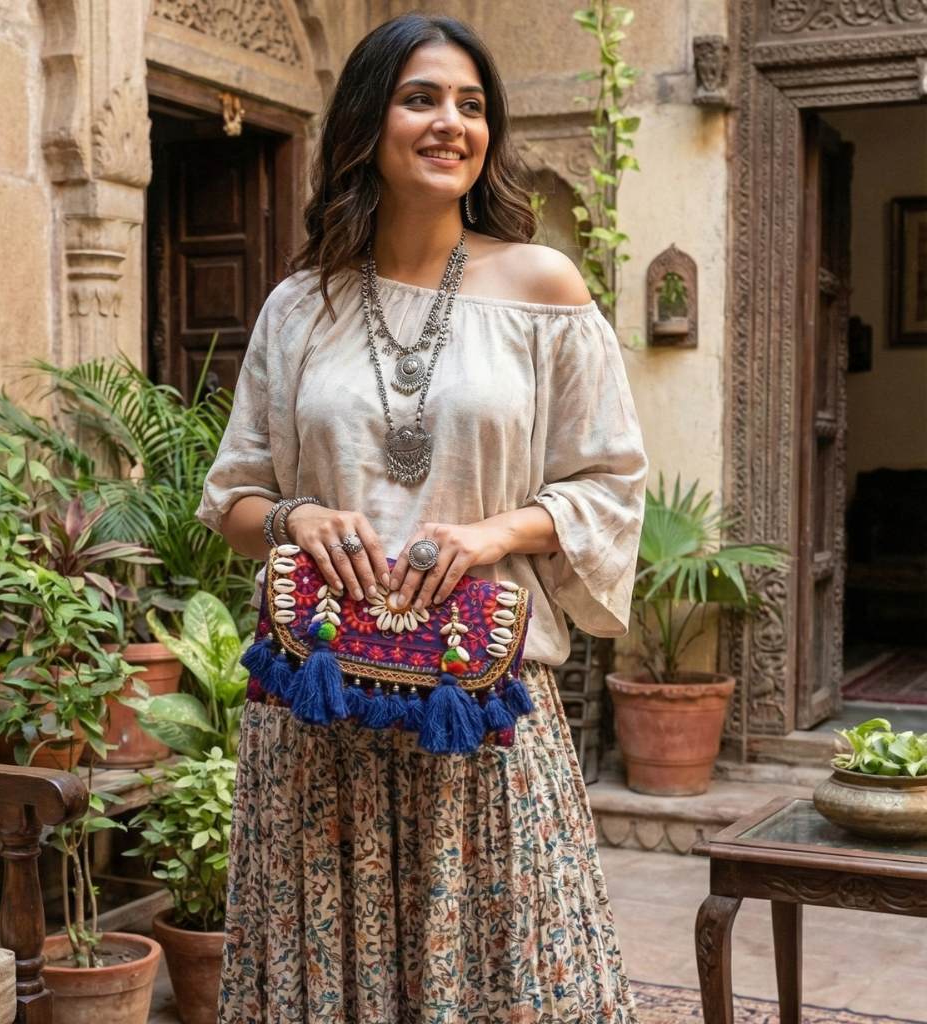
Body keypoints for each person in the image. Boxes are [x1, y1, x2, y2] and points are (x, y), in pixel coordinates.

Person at [197, 13, 647, 1024]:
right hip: (319, 709)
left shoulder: (542, 288)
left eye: (471, 104)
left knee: (505, 977)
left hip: (476, 704)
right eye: (421, 98)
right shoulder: (297, 307)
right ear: (366, 121)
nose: (450, 122)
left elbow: (612, 485)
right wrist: (297, 517)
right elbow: (232, 496)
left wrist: (494, 533)